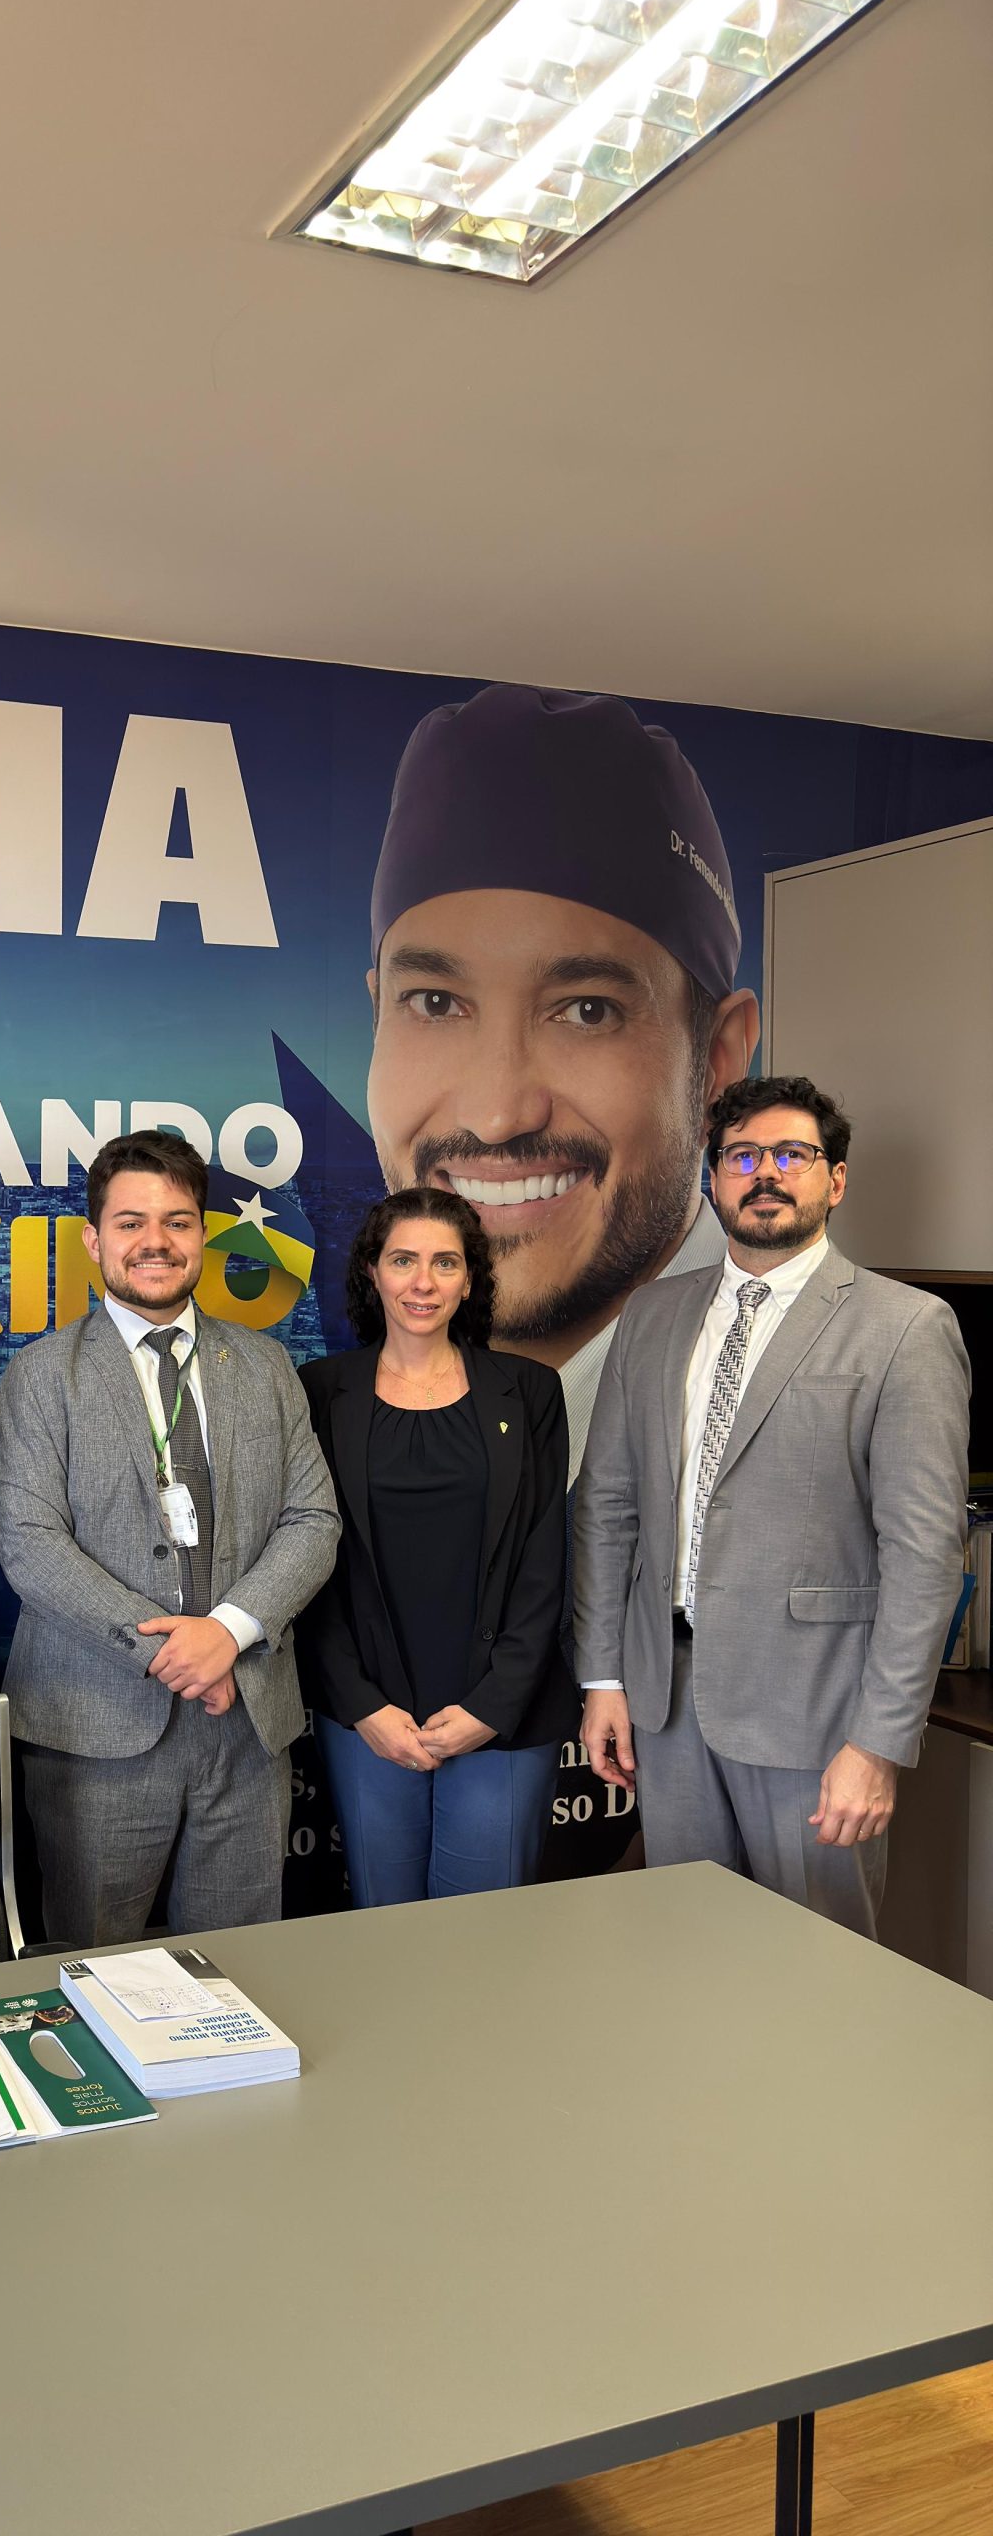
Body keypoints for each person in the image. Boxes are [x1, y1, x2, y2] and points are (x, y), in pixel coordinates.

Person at [577, 1076, 970, 1936]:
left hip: (818, 1718)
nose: (767, 1174)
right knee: (687, 1955)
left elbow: (924, 1554)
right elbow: (606, 1509)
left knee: (820, 1972)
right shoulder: (652, 1316)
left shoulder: (906, 1327)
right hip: (667, 1705)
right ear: (713, 1179)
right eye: (743, 1156)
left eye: (793, 1155)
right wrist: (604, 1676)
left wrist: (878, 1744)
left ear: (835, 1180)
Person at [365, 683, 761, 1478]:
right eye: (436, 1003)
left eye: (586, 1011)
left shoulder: (814, 1393)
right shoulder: (343, 1410)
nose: (497, 1113)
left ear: (717, 1057)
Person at [0, 1129, 340, 1944]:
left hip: (246, 1726)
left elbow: (313, 1521)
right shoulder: (45, 1374)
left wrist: (228, 1633)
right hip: (96, 1728)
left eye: (178, 1222)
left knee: (241, 1972)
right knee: (88, 1966)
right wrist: (173, 1655)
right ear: (93, 1238)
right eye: (132, 1223)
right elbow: (29, 1543)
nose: (155, 1242)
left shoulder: (265, 1365)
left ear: (203, 1235)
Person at [297, 1187, 577, 1904]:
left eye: (445, 1263)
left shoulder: (530, 1391)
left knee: (481, 1944)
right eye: (403, 1260)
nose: (423, 1282)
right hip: (368, 1715)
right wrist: (361, 1705)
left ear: (472, 1278)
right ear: (372, 1273)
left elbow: (546, 1560)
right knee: (384, 1927)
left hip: (502, 1711)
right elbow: (306, 1560)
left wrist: (493, 1704)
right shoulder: (319, 1391)